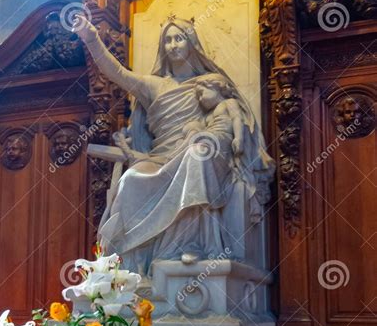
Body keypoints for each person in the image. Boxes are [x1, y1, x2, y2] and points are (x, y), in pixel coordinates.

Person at [73, 14, 274, 275]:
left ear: (191, 43)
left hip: (202, 152)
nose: (173, 45)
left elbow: (232, 117)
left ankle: (189, 246)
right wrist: (91, 38)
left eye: (179, 38)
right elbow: (116, 73)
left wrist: (218, 139)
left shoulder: (208, 83)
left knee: (196, 157)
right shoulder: (152, 85)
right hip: (161, 158)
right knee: (130, 179)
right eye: (167, 40)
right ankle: (130, 267)